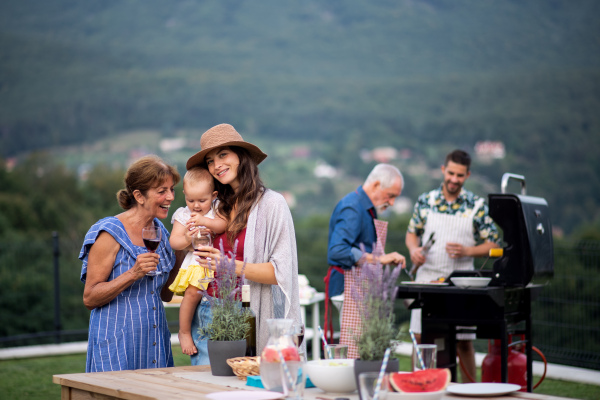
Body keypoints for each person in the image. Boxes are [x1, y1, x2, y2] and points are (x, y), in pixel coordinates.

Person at [186, 123, 303, 363]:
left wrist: (228, 264)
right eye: (210, 161)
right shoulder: (216, 207)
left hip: (250, 313)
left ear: (241, 156)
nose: (216, 165)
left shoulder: (273, 204)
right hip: (210, 309)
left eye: (223, 155)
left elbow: (280, 272)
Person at [79, 155, 183, 372]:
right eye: (162, 191)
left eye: (172, 189)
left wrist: (182, 250)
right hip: (117, 345)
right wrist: (132, 273)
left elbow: (165, 294)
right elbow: (90, 297)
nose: (171, 197)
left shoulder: (161, 232)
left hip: (154, 343)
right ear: (139, 195)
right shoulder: (109, 232)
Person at [405, 149, 500, 381]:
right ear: (443, 170)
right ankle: (418, 385)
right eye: (451, 173)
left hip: (461, 283)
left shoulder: (476, 205)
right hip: (427, 280)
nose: (454, 180)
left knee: (464, 343)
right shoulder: (426, 201)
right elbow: (411, 234)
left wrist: (468, 250)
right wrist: (413, 251)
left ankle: (470, 391)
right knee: (420, 338)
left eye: (459, 175)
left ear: (467, 175)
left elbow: (494, 244)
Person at [324, 163, 406, 358]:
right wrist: (379, 259)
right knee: (354, 347)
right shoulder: (352, 207)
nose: (392, 202)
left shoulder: (366, 207)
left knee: (365, 346)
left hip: (360, 287)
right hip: (347, 287)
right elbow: (337, 250)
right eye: (391, 195)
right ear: (377, 185)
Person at [168, 166, 227, 357]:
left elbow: (223, 224)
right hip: (197, 262)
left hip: (217, 261)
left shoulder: (217, 208)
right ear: (184, 195)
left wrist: (205, 221)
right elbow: (174, 241)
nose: (196, 205)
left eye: (202, 200)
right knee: (192, 294)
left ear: (214, 195)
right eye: (190, 200)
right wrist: (186, 237)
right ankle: (184, 331)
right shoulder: (183, 215)